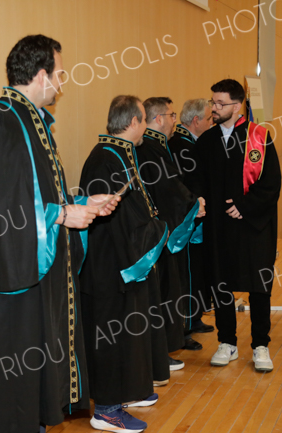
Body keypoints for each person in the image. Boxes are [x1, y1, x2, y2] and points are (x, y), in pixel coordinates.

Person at [0, 35, 119, 433]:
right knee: (10, 391)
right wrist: (63, 214)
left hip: (36, 276)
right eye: (59, 75)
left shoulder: (30, 121)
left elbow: (35, 196)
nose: (62, 85)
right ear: (42, 74)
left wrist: (82, 203)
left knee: (33, 389)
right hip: (10, 283)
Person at [79, 95, 169, 433]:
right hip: (109, 269)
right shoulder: (104, 159)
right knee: (111, 339)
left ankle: (125, 395)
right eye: (144, 120)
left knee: (128, 335)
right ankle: (106, 410)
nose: (146, 126)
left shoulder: (119, 153)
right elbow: (116, 221)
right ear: (133, 122)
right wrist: (155, 230)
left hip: (121, 264)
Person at [185, 79, 282, 372]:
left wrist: (245, 206)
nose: (214, 108)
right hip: (218, 228)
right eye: (212, 102)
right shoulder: (206, 141)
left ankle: (261, 345)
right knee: (221, 284)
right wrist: (198, 198)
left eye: (220, 103)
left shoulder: (260, 137)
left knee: (258, 287)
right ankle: (226, 342)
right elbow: (195, 179)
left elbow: (271, 183)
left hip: (253, 227)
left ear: (237, 106)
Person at [137, 97, 206, 365]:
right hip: (158, 232)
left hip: (161, 227)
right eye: (172, 115)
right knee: (164, 291)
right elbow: (168, 188)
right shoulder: (150, 148)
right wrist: (193, 204)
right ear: (158, 119)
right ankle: (161, 351)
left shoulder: (157, 145)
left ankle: (166, 346)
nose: (175, 120)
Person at [167, 99, 215, 335]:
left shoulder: (189, 143)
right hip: (188, 220)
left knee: (197, 271)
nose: (212, 123)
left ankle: (194, 316)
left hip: (195, 216)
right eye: (209, 118)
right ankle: (187, 322)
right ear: (196, 121)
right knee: (190, 271)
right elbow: (187, 183)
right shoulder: (181, 145)